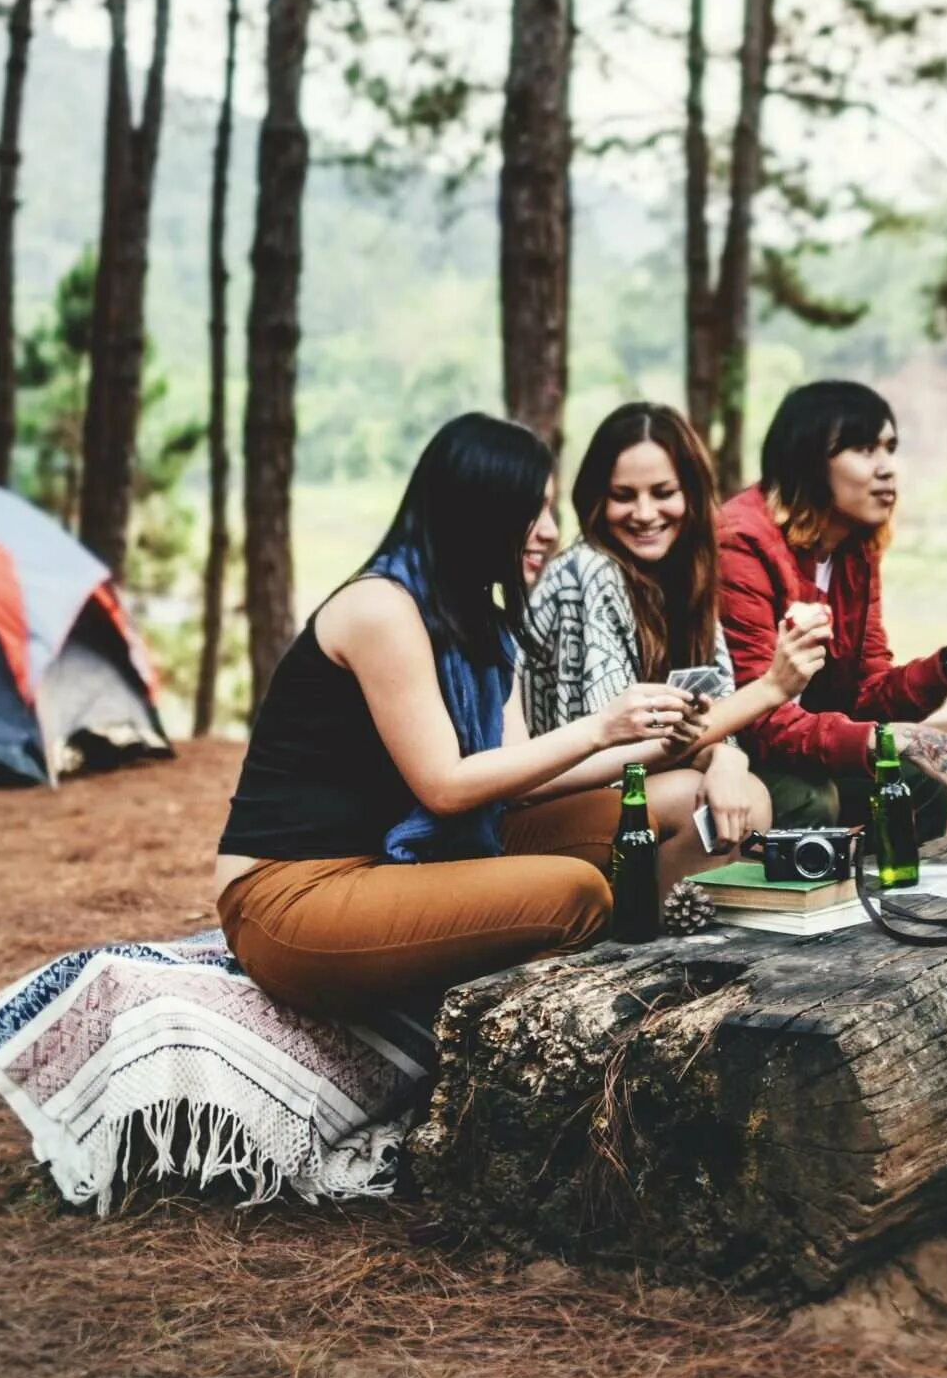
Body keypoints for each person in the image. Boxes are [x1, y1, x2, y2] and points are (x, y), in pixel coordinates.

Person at [214, 414, 736, 1016]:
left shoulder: (479, 621)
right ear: (477, 515)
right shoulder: (380, 608)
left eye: (548, 510)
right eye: (529, 512)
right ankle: (599, 1024)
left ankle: (662, 981)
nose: (547, 532)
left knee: (683, 801)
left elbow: (515, 779)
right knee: (576, 892)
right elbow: (445, 787)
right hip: (293, 895)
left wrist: (666, 741)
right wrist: (598, 727)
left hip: (399, 860)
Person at [718, 379, 947, 834]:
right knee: (812, 798)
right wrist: (901, 740)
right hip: (733, 753)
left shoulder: (854, 546)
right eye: (865, 450)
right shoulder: (742, 543)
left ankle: (899, 902)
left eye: (889, 448)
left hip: (806, 742)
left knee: (916, 780)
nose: (887, 469)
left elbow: (867, 696)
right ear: (807, 459)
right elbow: (759, 719)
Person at [524, 401, 817, 853]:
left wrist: (725, 758)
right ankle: (644, 923)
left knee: (744, 795)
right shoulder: (589, 570)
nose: (644, 513)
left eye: (663, 492)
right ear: (597, 498)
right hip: (547, 800)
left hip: (632, 782)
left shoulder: (687, 576)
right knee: (693, 798)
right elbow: (612, 755)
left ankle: (688, 918)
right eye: (624, 495)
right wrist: (771, 688)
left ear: (692, 494)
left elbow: (710, 713)